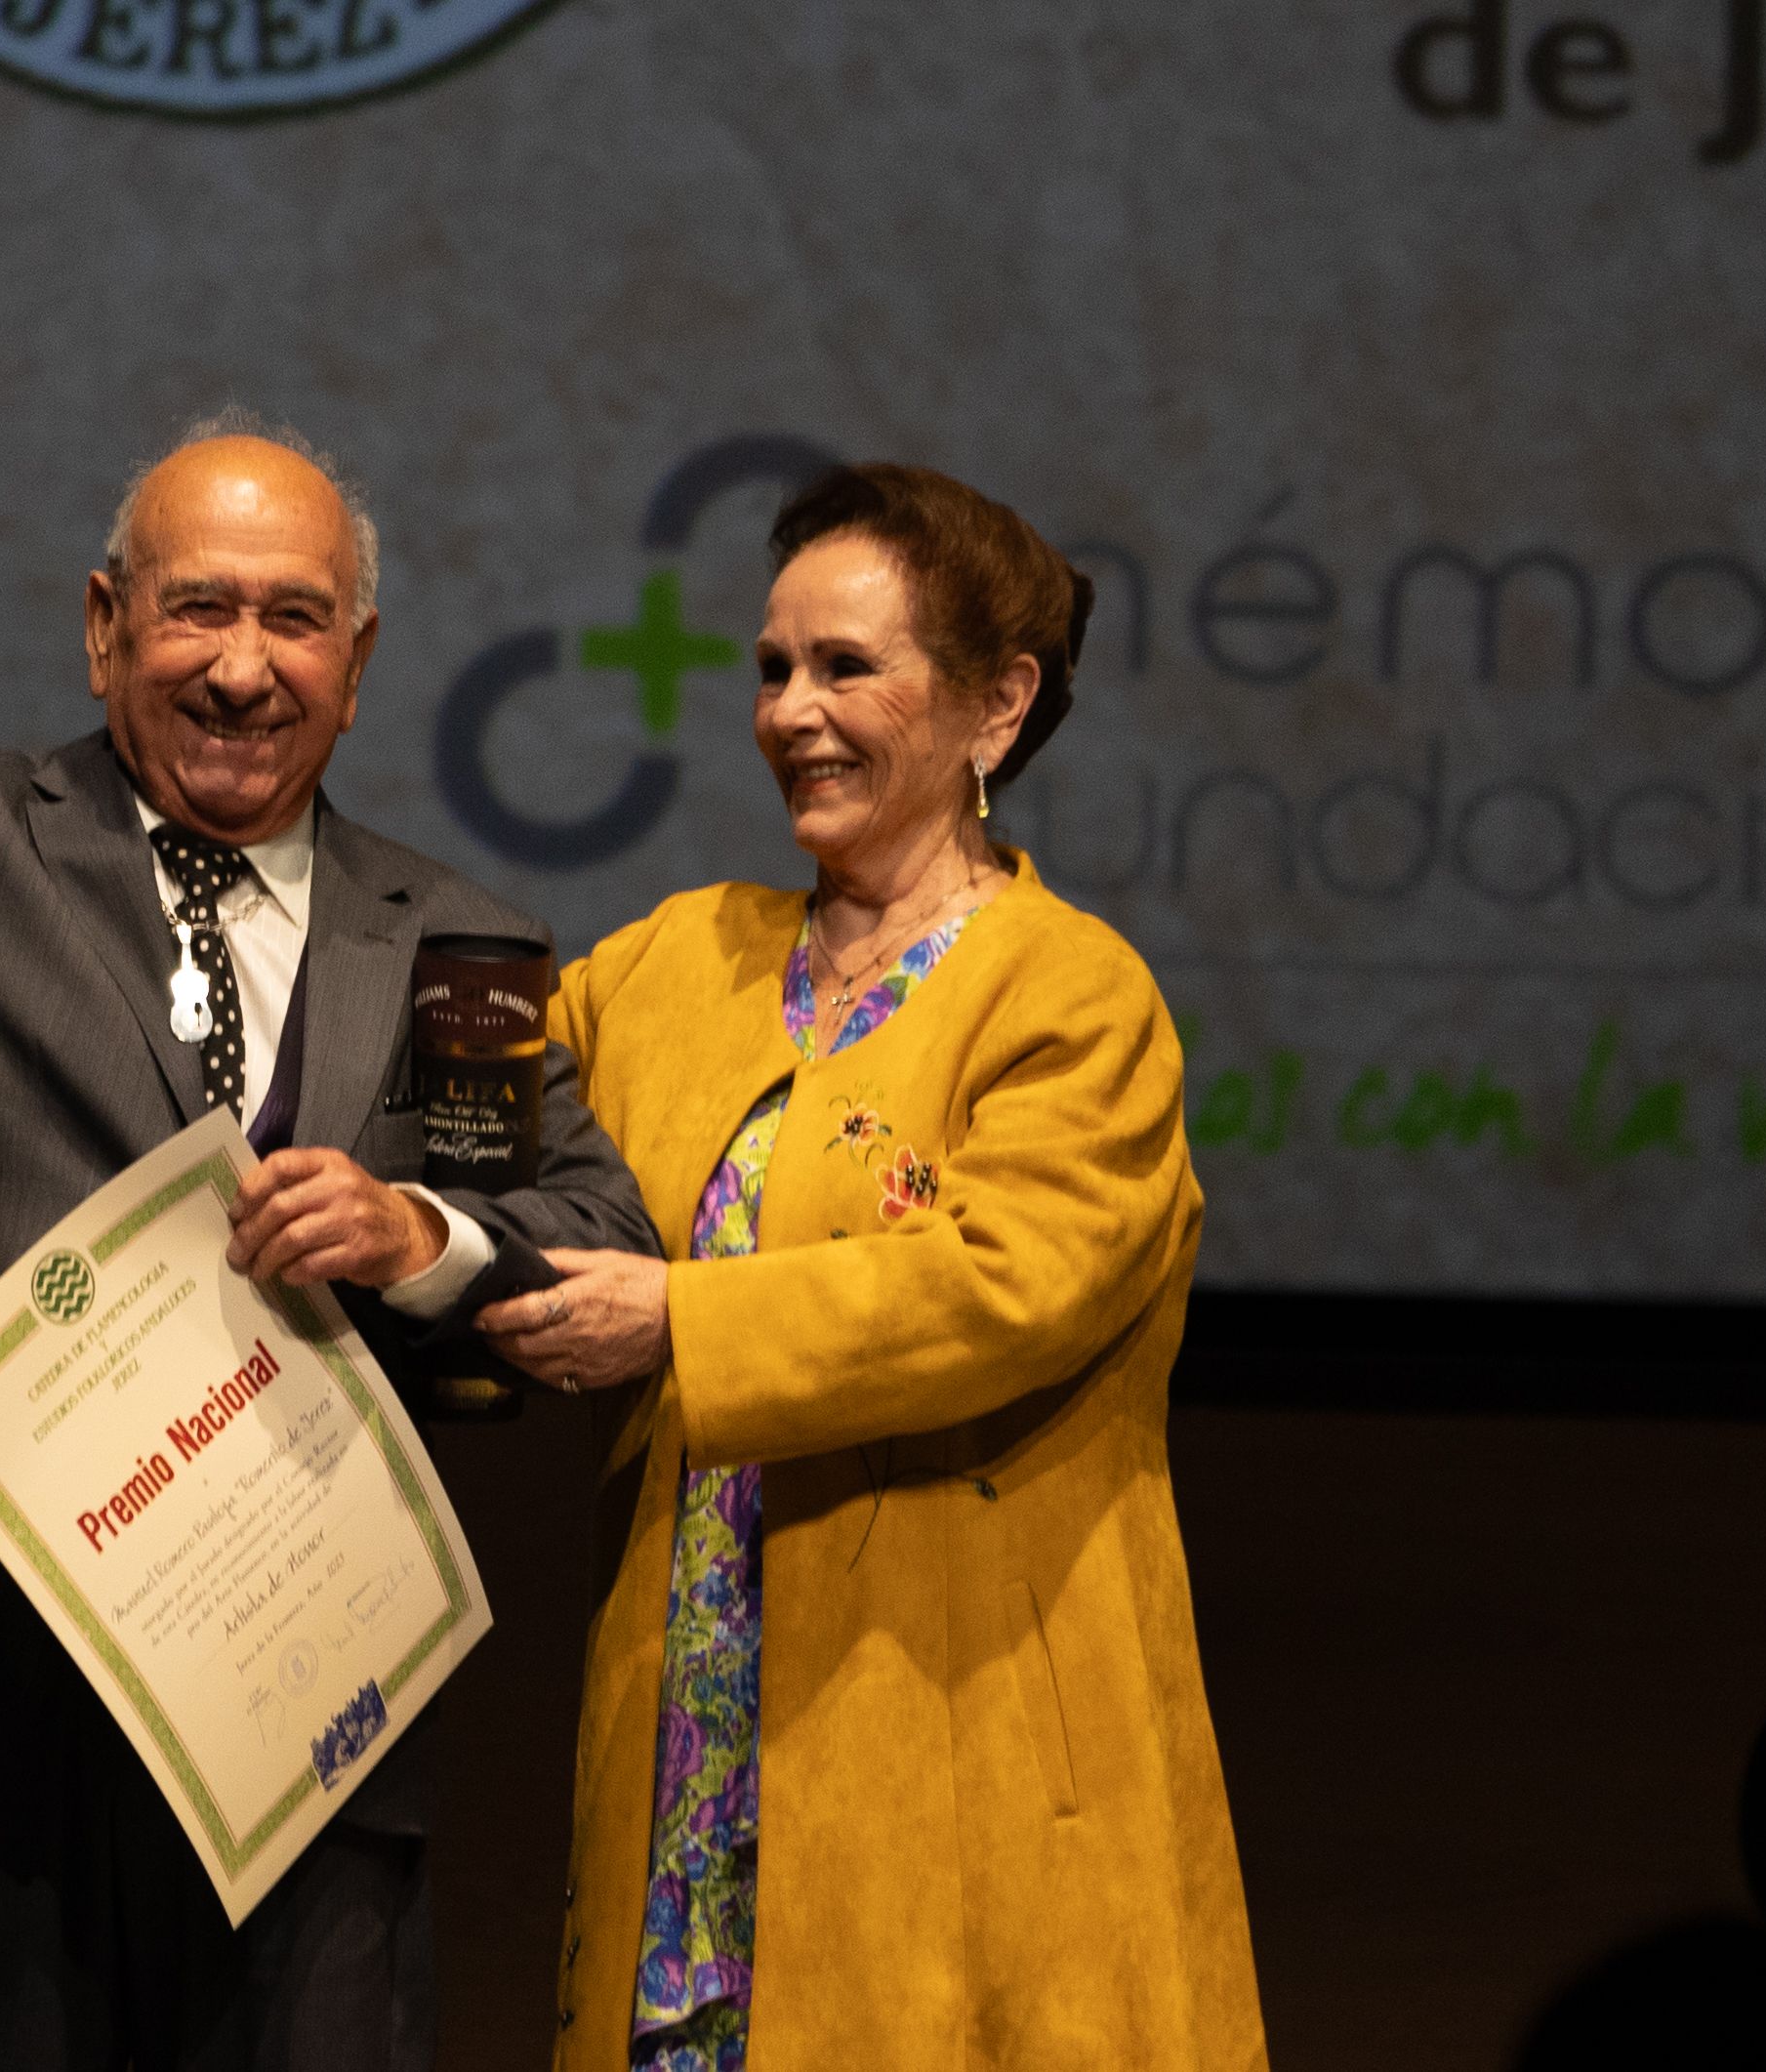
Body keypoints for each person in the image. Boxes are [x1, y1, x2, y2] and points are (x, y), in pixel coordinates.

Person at [0, 385, 656, 2072]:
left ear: (361, 656)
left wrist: (416, 1232)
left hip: (307, 1728)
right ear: (107, 626)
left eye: (295, 619)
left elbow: (590, 1222)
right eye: (200, 608)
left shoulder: (457, 944)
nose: (245, 665)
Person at [473, 464, 1266, 2070]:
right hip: (700, 1705)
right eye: (772, 668)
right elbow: (476, 1120)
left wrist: (677, 1316)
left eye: (847, 667)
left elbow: (1004, 1284)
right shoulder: (681, 961)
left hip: (959, 1738)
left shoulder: (1071, 997)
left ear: (999, 703)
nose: (791, 711)